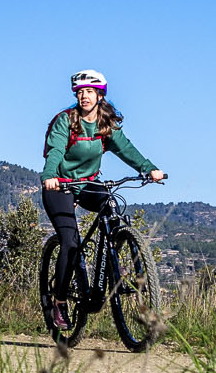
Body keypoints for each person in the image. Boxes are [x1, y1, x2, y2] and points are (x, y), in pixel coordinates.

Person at [39, 68, 166, 327]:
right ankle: (59, 303)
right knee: (71, 242)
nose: (85, 96)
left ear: (100, 96)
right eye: (80, 92)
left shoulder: (104, 124)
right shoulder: (66, 120)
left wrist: (149, 168)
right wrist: (50, 175)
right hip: (60, 186)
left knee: (111, 204)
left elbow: (126, 149)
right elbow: (54, 150)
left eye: (90, 92)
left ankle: (116, 263)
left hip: (87, 184)